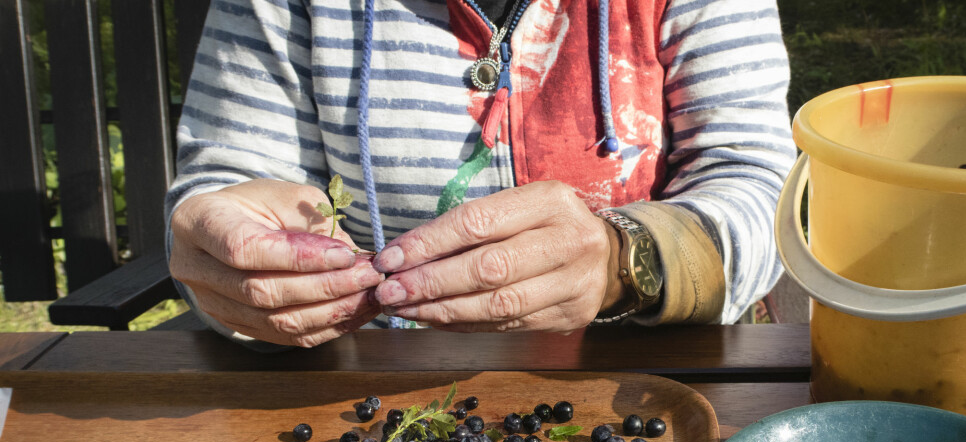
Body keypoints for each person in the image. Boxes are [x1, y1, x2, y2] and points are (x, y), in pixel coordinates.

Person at [166, 0, 795, 348]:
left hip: (643, 389)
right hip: (369, 390)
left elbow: (760, 191)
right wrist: (232, 262)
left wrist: (623, 261)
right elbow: (229, 185)